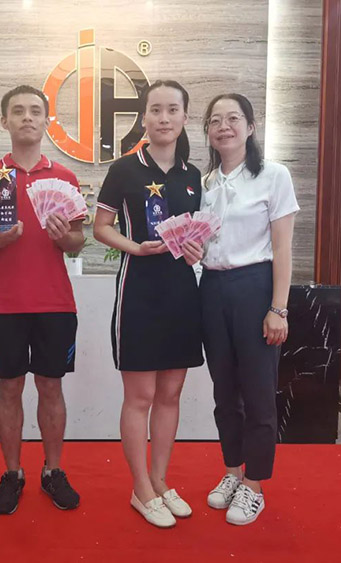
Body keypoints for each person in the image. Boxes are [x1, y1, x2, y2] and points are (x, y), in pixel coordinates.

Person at [0, 85, 84, 515]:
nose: (27, 117)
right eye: (18, 111)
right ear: (5, 122)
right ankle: (12, 473)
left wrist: (64, 238)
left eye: (36, 111)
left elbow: (78, 240)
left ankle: (53, 471)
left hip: (56, 303)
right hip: (4, 304)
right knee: (9, 388)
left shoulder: (65, 177)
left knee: (51, 387)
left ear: (47, 121)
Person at [93, 80, 204, 528]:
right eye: (155, 110)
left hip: (182, 293)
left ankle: (160, 480)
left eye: (172, 110)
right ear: (144, 117)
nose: (163, 118)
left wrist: (196, 249)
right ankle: (140, 488)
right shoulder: (124, 169)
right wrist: (135, 248)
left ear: (184, 117)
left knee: (170, 394)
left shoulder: (193, 175)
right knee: (140, 396)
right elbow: (101, 227)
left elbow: (196, 234)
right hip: (138, 290)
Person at [199, 93, 299, 526]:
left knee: (258, 392)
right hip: (211, 288)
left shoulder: (273, 176)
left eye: (233, 118)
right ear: (208, 131)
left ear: (251, 127)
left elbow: (283, 248)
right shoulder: (205, 184)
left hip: (255, 287)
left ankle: (254, 484)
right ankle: (232, 472)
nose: (224, 126)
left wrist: (279, 308)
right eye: (215, 120)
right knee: (224, 393)